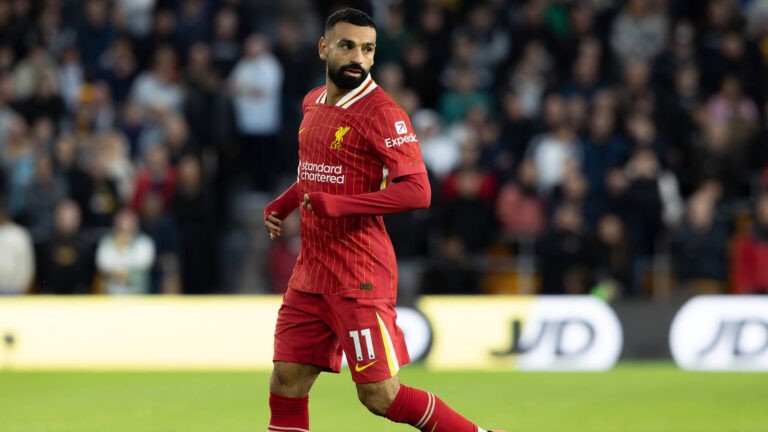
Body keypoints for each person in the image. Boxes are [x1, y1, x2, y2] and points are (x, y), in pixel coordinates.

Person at [263, 9, 505, 432]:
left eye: (367, 49)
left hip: (359, 275)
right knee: (286, 381)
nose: (358, 57)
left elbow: (419, 190)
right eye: (347, 46)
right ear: (324, 48)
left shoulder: (383, 113)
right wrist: (283, 203)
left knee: (380, 396)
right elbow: (314, 174)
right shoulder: (312, 103)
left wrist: (341, 205)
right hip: (312, 272)